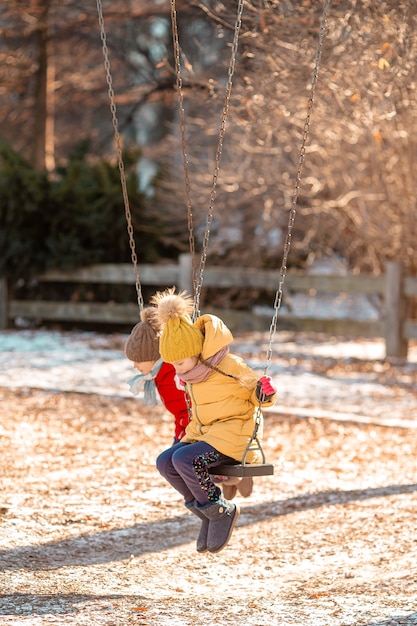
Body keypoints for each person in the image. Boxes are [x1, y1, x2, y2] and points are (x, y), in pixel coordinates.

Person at [151, 288, 277, 554]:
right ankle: (208, 513)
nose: (178, 370)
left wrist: (264, 393)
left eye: (181, 362)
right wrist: (186, 440)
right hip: (209, 435)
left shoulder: (228, 366)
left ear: (196, 352)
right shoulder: (193, 376)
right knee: (165, 462)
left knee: (185, 459)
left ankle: (220, 511)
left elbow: (258, 398)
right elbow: (199, 415)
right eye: (172, 364)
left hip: (235, 437)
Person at [125, 308, 189, 444]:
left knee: (169, 462)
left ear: (152, 357)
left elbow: (188, 411)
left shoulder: (172, 376)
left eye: (138, 360)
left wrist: (182, 438)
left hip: (194, 432)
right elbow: (180, 414)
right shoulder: (160, 374)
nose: (135, 366)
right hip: (183, 430)